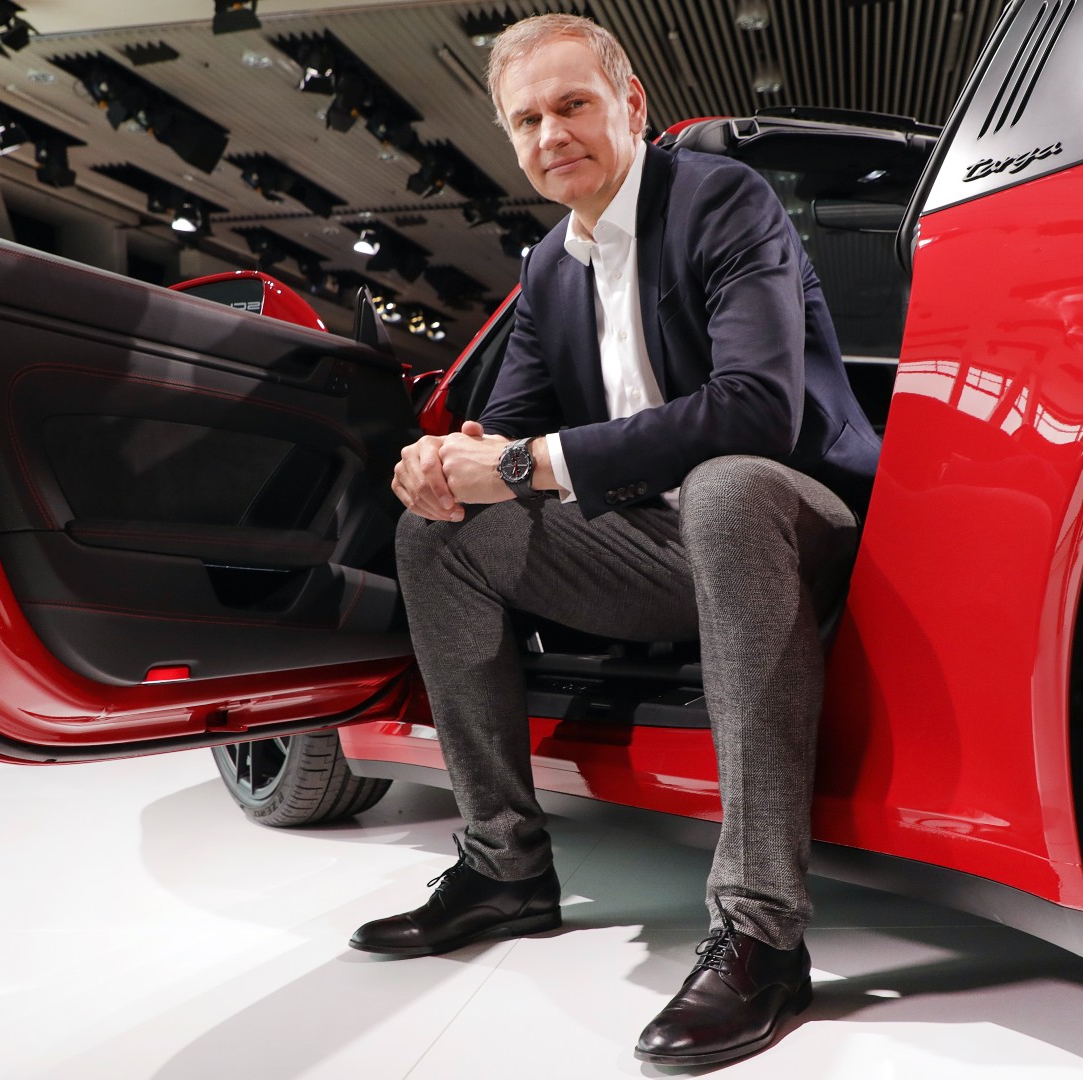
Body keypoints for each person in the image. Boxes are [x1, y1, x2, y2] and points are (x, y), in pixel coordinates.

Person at [352, 12, 881, 1066]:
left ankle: (763, 936)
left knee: (726, 487)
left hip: (794, 521)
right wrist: (442, 463)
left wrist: (522, 464)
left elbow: (755, 410)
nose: (552, 134)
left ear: (630, 105)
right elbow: (505, 430)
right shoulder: (550, 266)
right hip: (658, 544)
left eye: (573, 105)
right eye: (527, 120)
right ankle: (503, 867)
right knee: (436, 536)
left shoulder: (723, 201)